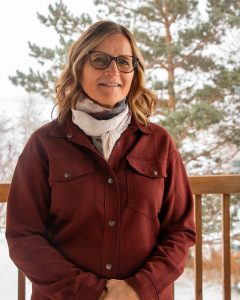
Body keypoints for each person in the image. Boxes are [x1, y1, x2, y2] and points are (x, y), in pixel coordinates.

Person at [6, 20, 196, 300]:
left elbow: (180, 231)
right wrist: (93, 292)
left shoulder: (159, 142)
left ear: (135, 71)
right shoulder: (44, 144)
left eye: (124, 61)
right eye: (100, 59)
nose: (113, 71)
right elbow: (24, 237)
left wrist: (137, 288)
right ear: (78, 66)